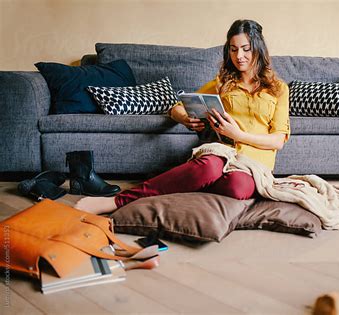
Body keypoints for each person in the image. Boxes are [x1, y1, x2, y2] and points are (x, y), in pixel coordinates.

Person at [75, 19, 290, 214]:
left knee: (236, 187)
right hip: (222, 152)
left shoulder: (278, 89)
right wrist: (185, 119)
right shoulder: (223, 84)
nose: (239, 56)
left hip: (255, 163)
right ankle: (118, 201)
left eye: (246, 49)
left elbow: (278, 140)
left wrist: (238, 134)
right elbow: (176, 107)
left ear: (259, 49)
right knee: (208, 167)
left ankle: (183, 181)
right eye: (233, 50)